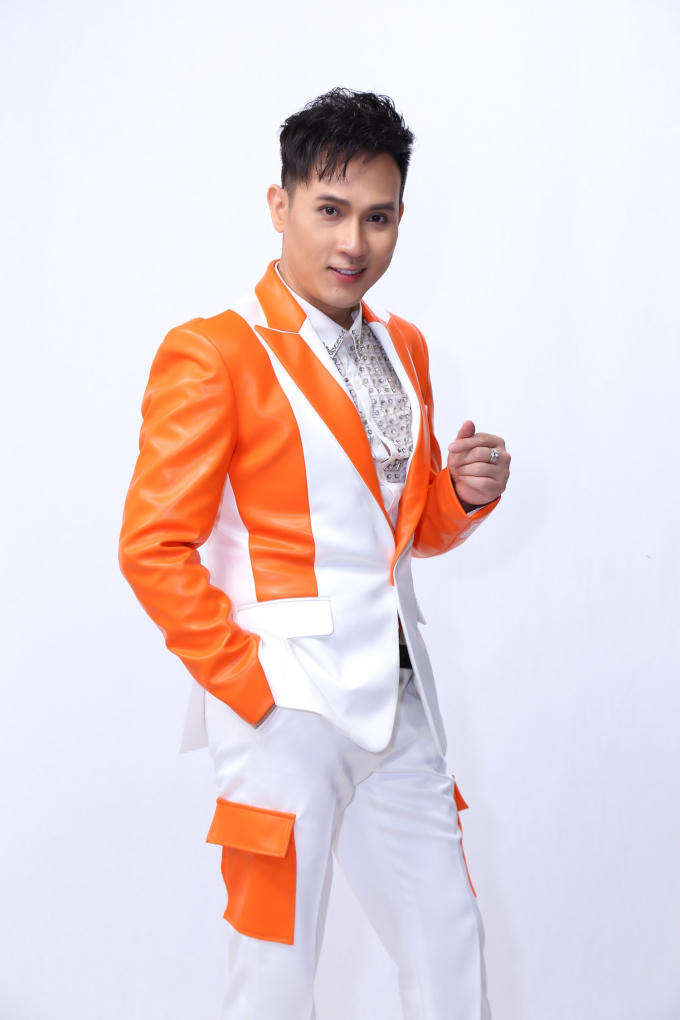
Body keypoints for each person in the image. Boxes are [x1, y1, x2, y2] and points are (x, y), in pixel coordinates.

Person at [118, 87, 510, 1020]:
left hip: (400, 703)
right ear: (279, 204)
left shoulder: (403, 346)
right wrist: (252, 689)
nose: (352, 242)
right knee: (276, 978)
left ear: (400, 218)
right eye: (330, 210)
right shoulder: (214, 352)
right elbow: (152, 546)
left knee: (450, 945)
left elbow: (400, 530)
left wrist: (459, 494)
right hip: (285, 711)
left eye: (378, 217)